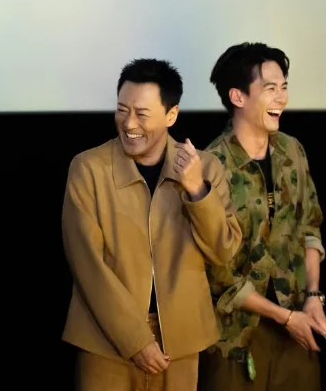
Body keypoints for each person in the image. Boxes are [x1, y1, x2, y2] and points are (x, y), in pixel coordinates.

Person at [61, 58, 243, 391]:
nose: (129, 123)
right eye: (122, 110)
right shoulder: (88, 169)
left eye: (142, 113)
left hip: (181, 345)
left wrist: (197, 190)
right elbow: (87, 264)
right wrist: (135, 339)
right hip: (105, 342)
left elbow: (224, 251)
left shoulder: (205, 168)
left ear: (171, 115)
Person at [198, 43, 326, 391]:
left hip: (297, 334)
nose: (281, 98)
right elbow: (217, 272)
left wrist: (313, 297)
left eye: (284, 87)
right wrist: (284, 317)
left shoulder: (292, 151)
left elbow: (310, 227)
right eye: (270, 88)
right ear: (237, 97)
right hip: (235, 340)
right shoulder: (211, 165)